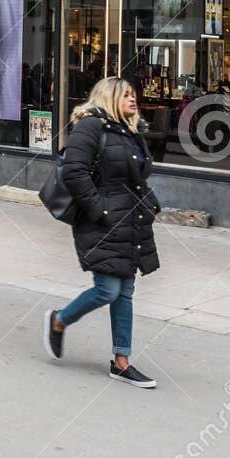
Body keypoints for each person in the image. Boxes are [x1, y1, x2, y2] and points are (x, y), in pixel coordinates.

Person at [41, 77, 161, 388]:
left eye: (134, 95)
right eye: (126, 95)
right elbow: (74, 171)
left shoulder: (132, 131)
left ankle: (121, 361)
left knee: (126, 292)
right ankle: (59, 319)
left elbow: (138, 177)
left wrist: (149, 204)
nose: (133, 100)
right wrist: (100, 210)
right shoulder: (90, 127)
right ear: (108, 97)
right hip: (103, 220)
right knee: (108, 289)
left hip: (132, 220)